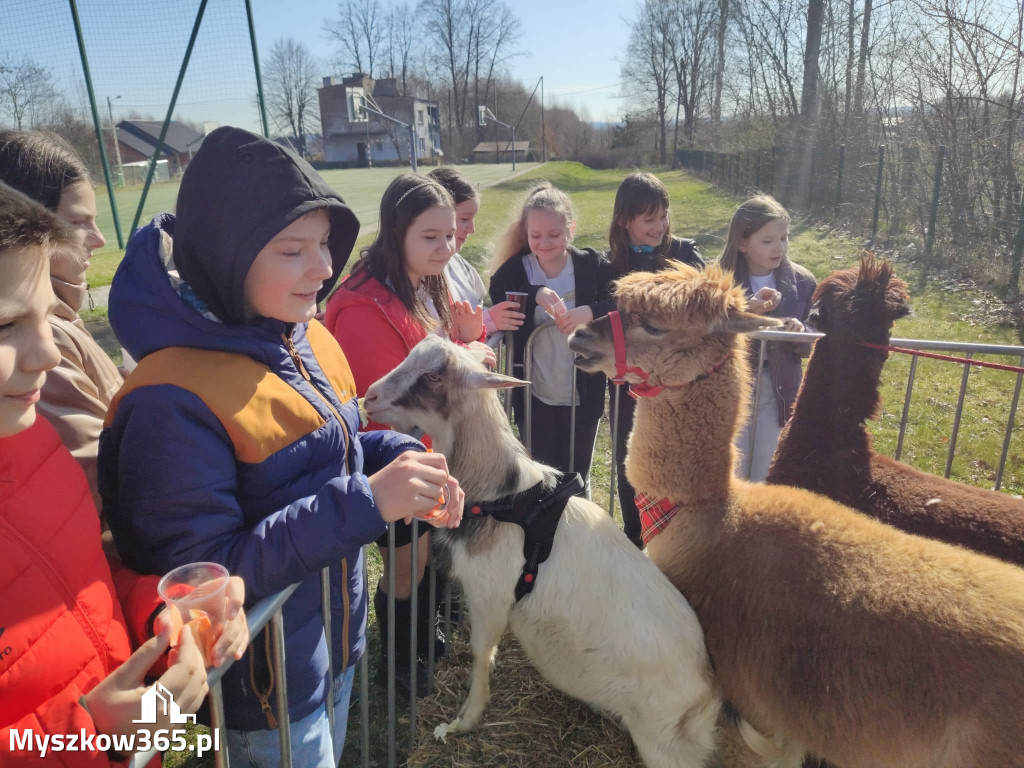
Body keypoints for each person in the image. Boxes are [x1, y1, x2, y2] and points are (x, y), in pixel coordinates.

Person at [98, 127, 464, 766]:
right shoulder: (170, 401)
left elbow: (336, 443)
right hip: (264, 693)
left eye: (323, 243)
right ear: (228, 258)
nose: (324, 267)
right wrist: (368, 502)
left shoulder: (302, 335)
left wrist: (399, 463)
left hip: (331, 647)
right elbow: (203, 578)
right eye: (293, 250)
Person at [0, 181, 249, 767]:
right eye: (5, 325)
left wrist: (164, 615)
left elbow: (79, 584)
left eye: (47, 315)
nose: (49, 353)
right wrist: (83, 736)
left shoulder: (33, 443)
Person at [326, 173, 488, 697]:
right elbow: (383, 409)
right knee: (406, 559)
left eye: (449, 235)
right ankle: (398, 659)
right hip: (392, 459)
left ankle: (427, 625)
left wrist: (469, 343)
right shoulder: (363, 307)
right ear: (397, 232)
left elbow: (442, 358)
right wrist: (467, 359)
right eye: (430, 236)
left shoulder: (426, 285)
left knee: (430, 550)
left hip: (429, 451)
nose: (446, 247)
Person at [0, 131, 121, 510]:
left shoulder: (61, 316)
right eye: (77, 222)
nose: (99, 239)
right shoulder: (47, 334)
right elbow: (102, 480)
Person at [488, 181, 611, 490]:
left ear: (570, 229)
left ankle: (578, 530)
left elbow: (619, 298)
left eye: (554, 235)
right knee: (541, 476)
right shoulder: (518, 268)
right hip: (535, 395)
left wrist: (590, 311)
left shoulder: (590, 264)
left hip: (582, 394)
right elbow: (497, 291)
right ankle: (544, 534)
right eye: (535, 236)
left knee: (576, 475)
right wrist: (535, 293)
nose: (544, 243)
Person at [604, 171, 705, 547]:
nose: (660, 226)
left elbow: (703, 297)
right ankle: (636, 538)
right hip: (628, 389)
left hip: (678, 387)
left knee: (676, 459)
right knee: (631, 460)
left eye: (664, 215)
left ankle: (679, 540)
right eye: (650, 219)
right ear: (624, 221)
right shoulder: (610, 265)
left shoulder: (684, 253)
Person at [718, 194, 816, 482]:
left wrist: (800, 331)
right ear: (742, 242)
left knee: (766, 473)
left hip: (780, 390)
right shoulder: (717, 278)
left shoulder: (802, 282)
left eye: (784, 238)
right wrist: (747, 311)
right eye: (768, 240)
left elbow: (812, 336)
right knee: (730, 471)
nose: (779, 247)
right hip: (730, 389)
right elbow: (703, 331)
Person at [426, 166, 524, 337]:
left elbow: (476, 306)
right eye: (464, 219)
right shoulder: (419, 274)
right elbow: (431, 335)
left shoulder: (460, 265)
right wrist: (487, 321)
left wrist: (491, 318)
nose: (472, 229)